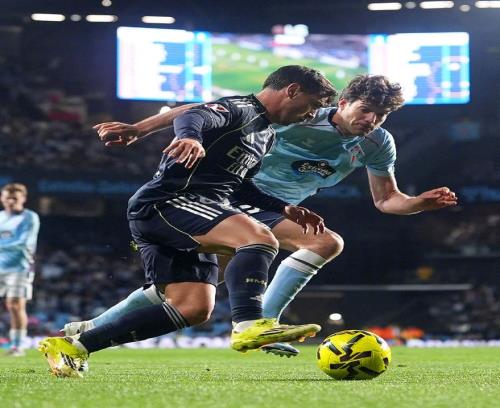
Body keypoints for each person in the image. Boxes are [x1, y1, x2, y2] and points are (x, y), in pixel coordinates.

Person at [67, 74, 458, 358]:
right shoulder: (303, 115)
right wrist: (140, 128)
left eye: (381, 115)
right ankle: (262, 324)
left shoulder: (377, 143)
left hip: (273, 208)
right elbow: (201, 111)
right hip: (239, 196)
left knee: (193, 287)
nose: (371, 120)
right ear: (343, 103)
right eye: (366, 109)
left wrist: (418, 203)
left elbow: (387, 200)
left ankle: (90, 329)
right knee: (325, 242)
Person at [39, 65, 337, 377]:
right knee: (259, 238)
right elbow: (192, 115)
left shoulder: (267, 136)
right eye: (312, 105)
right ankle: (249, 323)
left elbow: (239, 185)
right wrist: (190, 138)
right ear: (292, 90)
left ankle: (75, 345)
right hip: (168, 203)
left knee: (193, 309)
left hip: (195, 209)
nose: (310, 114)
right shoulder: (240, 108)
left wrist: (283, 207)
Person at [0, 183, 40, 356]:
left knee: (15, 305)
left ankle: (17, 345)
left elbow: (23, 242)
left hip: (20, 267)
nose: (10, 201)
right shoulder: (0, 217)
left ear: (23, 199)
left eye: (14, 198)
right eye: (7, 198)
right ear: (2, 198)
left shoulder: (29, 217)